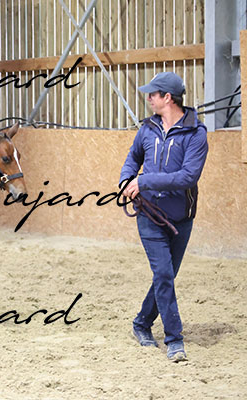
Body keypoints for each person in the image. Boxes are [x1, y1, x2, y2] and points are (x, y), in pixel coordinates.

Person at [119, 71, 208, 362]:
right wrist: (126, 179)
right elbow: (133, 157)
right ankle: (174, 339)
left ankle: (141, 323)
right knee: (164, 274)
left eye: (152, 94)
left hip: (181, 217)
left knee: (166, 276)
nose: (148, 98)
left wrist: (143, 181)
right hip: (149, 214)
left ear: (167, 98)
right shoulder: (147, 129)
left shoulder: (196, 134)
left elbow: (187, 177)